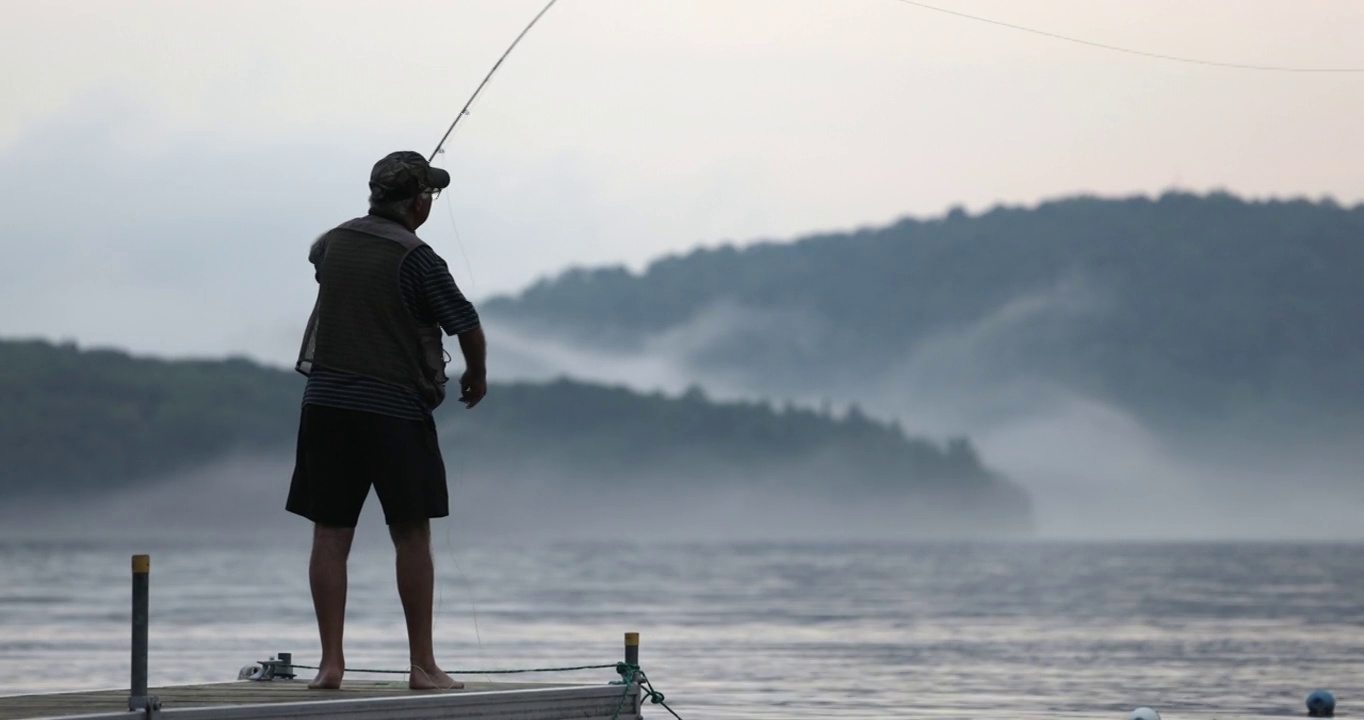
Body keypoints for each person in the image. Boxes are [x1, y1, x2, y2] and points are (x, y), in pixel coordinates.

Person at [286, 150, 488, 691]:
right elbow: (465, 323)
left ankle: (331, 664)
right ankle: (422, 666)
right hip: (394, 412)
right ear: (418, 200)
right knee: (411, 534)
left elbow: (320, 261)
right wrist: (477, 374)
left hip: (326, 407)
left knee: (330, 533)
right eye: (431, 195)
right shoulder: (419, 258)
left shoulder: (331, 243)